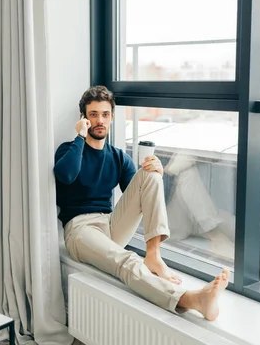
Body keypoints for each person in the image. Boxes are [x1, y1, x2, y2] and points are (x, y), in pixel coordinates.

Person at [54, 85, 229, 320]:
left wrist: (158, 171)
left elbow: (145, 195)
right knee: (126, 259)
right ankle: (191, 299)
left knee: (150, 172)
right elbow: (65, 175)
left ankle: (154, 254)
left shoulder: (118, 157)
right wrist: (79, 136)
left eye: (105, 114)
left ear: (112, 117)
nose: (99, 120)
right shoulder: (69, 150)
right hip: (80, 230)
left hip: (110, 225)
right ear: (84, 118)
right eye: (93, 114)